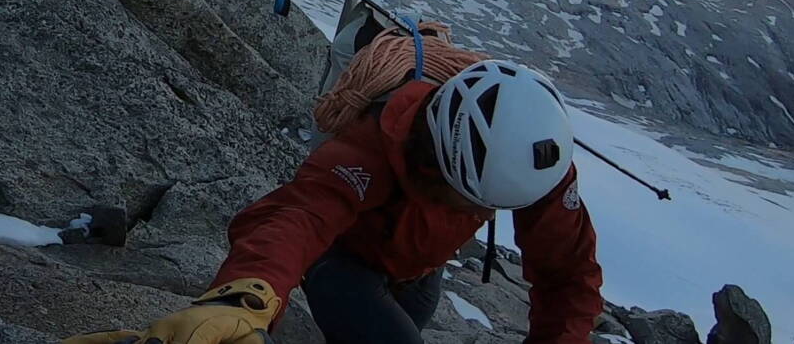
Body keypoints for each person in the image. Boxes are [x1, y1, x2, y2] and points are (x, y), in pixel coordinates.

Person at [63, 59, 602, 344]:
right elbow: (296, 218)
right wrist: (245, 299)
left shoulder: (534, 163)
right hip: (344, 262)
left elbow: (568, 273)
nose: (472, 214)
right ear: (432, 157)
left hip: (418, 265)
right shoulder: (368, 149)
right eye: (459, 198)